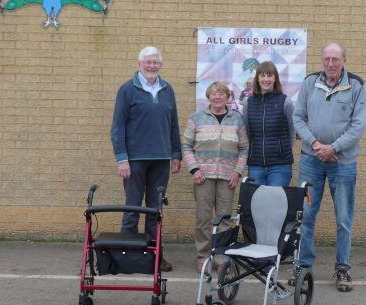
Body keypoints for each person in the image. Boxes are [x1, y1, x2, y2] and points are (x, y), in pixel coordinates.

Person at [293, 43, 366, 291]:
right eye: (327, 59)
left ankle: (342, 268)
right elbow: (298, 117)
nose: (331, 64)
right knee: (305, 216)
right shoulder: (309, 83)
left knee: (343, 218)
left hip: (342, 162)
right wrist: (316, 144)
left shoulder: (356, 85)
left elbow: (358, 126)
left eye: (336, 59)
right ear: (322, 61)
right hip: (310, 160)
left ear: (344, 60)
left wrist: (333, 148)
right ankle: (303, 267)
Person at [110, 46, 181, 272]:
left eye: (155, 62)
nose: (152, 66)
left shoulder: (167, 89)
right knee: (132, 209)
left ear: (160, 65)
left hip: (161, 160)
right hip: (134, 161)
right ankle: (126, 258)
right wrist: (122, 159)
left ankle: (155, 257)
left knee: (155, 211)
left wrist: (176, 154)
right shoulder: (127, 90)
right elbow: (117, 127)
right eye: (148, 62)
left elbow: (173, 125)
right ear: (139, 64)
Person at [182, 82, 248, 273]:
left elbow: (244, 148)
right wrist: (195, 169)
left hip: (228, 178)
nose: (217, 97)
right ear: (208, 97)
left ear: (228, 97)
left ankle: (221, 258)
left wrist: (237, 171)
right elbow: (186, 146)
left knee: (224, 220)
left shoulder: (236, 119)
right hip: (203, 177)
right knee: (203, 219)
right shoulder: (196, 118)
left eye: (221, 94)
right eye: (213, 94)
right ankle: (203, 257)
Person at [243, 61, 295, 187]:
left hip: (280, 166)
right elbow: (247, 132)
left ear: (275, 78)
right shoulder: (248, 103)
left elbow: (291, 131)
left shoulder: (285, 101)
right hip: (256, 165)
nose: (266, 79)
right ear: (257, 79)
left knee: (276, 205)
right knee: (256, 205)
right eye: (262, 75)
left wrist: (281, 151)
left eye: (270, 75)